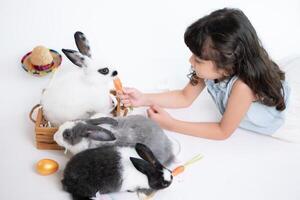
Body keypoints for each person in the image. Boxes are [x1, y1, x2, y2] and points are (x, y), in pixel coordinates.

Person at [117, 8, 290, 140]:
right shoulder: (214, 68)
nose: (190, 61)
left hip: (278, 120)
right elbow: (184, 97)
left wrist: (171, 124)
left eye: (198, 60)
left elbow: (223, 131)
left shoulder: (243, 88)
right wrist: (144, 98)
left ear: (226, 68)